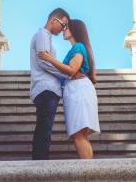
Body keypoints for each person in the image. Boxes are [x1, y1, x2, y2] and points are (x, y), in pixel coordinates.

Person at [38, 19, 100, 159]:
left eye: (67, 27)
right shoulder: (77, 48)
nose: (63, 29)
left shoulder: (78, 47)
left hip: (79, 90)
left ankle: (87, 174)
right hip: (78, 89)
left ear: (75, 30)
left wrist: (49, 58)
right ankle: (89, 173)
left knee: (79, 135)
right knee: (81, 135)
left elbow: (72, 70)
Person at [30, 8, 84, 160]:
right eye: (63, 24)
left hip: (49, 89)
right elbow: (43, 62)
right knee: (44, 128)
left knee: (45, 127)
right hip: (45, 88)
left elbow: (48, 61)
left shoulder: (46, 37)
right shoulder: (42, 35)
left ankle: (40, 161)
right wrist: (66, 75)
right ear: (54, 20)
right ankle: (40, 163)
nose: (63, 29)